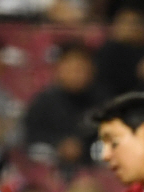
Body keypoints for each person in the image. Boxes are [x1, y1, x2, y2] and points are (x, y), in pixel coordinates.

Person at [23, 42, 106, 170]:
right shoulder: (45, 101)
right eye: (70, 68)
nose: (76, 74)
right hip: (52, 168)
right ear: (59, 69)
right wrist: (59, 145)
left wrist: (83, 145)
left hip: (92, 168)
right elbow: (30, 135)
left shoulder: (103, 101)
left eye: (81, 68)